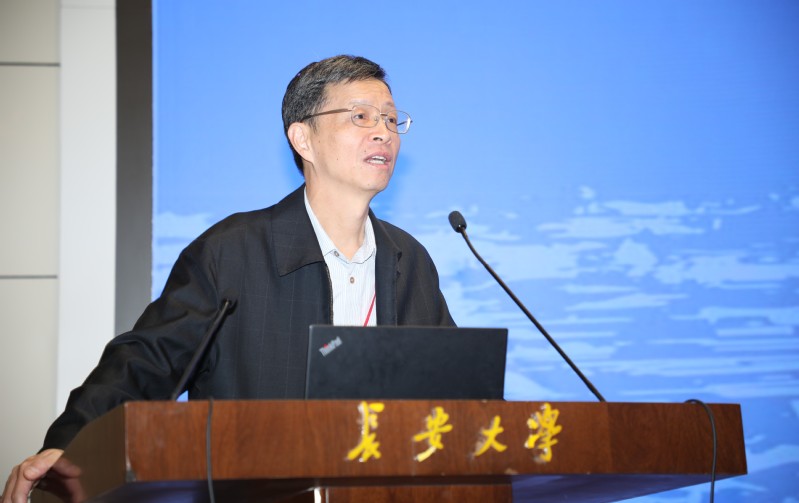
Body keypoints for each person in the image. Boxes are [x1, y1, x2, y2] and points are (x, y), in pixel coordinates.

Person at [2, 54, 455, 503]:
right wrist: (68, 447)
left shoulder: (409, 260)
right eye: (360, 116)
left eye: (391, 120)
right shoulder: (232, 251)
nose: (383, 132)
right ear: (303, 138)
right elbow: (145, 363)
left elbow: (453, 390)